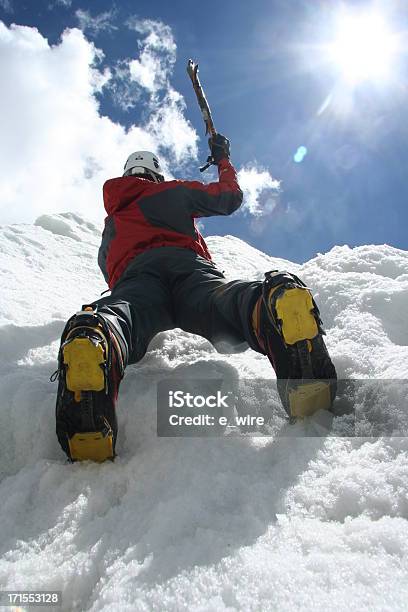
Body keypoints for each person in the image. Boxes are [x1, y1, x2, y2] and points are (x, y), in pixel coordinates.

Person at [54, 134, 337, 462]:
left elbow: (108, 267)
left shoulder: (113, 223)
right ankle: (268, 305)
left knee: (123, 314)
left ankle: (100, 334)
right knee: (223, 304)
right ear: (156, 173)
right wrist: (223, 161)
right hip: (188, 266)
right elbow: (228, 197)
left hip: (138, 275)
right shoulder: (170, 191)